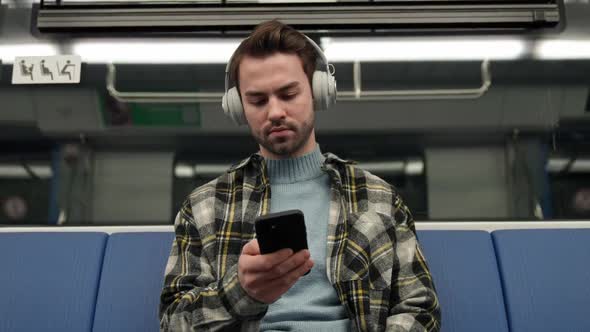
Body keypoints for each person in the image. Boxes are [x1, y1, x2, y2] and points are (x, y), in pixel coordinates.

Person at [160, 19, 441, 332]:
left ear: (318, 93)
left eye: (288, 94)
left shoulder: (378, 198)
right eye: (258, 100)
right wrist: (241, 292)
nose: (275, 111)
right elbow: (173, 323)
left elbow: (419, 308)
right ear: (238, 107)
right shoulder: (204, 207)